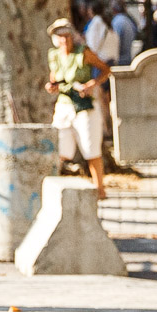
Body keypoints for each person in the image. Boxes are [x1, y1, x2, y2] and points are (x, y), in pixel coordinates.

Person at [45, 18, 113, 200]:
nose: (64, 40)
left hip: (84, 106)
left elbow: (105, 70)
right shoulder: (54, 56)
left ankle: (100, 190)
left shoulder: (83, 53)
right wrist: (52, 86)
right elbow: (55, 80)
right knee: (60, 149)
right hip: (64, 105)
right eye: (60, 37)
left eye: (67, 36)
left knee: (91, 149)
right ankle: (56, 190)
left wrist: (92, 84)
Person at [110, 1, 138, 66]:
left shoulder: (117, 22)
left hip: (120, 60)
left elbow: (116, 41)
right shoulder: (128, 20)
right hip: (127, 58)